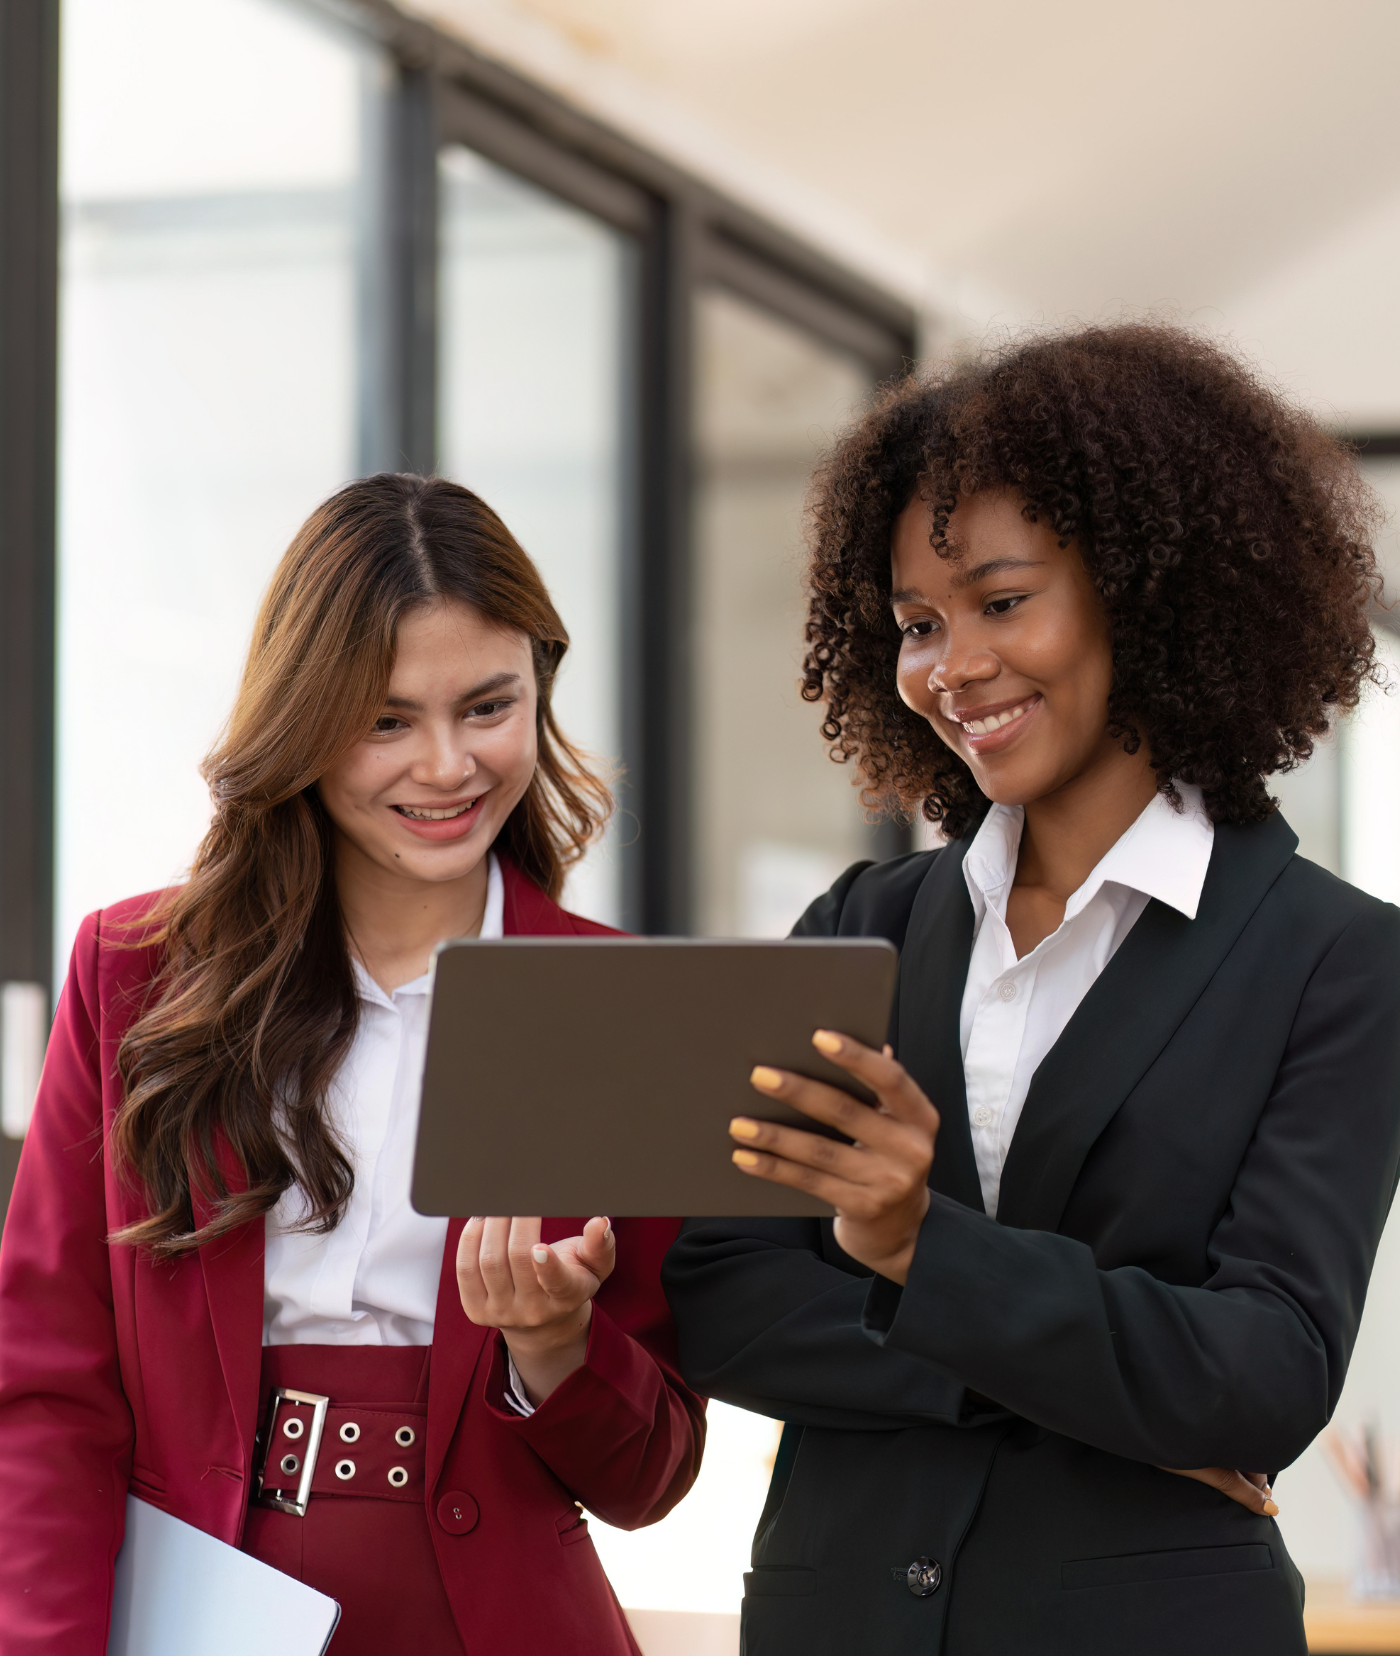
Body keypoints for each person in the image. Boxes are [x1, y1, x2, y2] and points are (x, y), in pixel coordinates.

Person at [663, 324, 1400, 1656]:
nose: (953, 666)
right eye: (918, 624)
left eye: (1005, 602)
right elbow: (722, 1299)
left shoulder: (1336, 960)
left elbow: (1265, 1371)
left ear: (1144, 591)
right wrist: (1092, 1390)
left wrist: (912, 1252)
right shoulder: (859, 930)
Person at [0, 474, 704, 1656]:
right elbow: (46, 1392)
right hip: (193, 1611)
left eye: (488, 707)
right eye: (384, 721)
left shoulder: (616, 1011)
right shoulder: (131, 978)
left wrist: (556, 1349)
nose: (445, 767)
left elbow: (650, 1476)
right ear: (301, 721)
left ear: (540, 690)